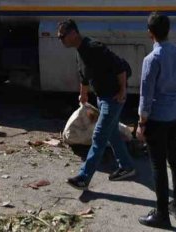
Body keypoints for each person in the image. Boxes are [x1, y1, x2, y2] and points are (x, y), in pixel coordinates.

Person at [58, 19, 137, 189]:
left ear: (73, 34)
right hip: (102, 98)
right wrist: (83, 93)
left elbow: (120, 67)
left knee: (99, 135)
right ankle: (127, 166)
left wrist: (123, 90)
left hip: (113, 98)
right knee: (112, 133)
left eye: (62, 36)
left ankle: (83, 178)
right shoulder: (79, 51)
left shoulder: (94, 48)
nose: (60, 39)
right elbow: (84, 76)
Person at [136, 12, 176, 228]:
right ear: (168, 30)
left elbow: (146, 96)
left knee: (158, 166)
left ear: (150, 33)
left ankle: (162, 215)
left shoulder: (152, 60)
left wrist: (141, 124)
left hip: (157, 118)